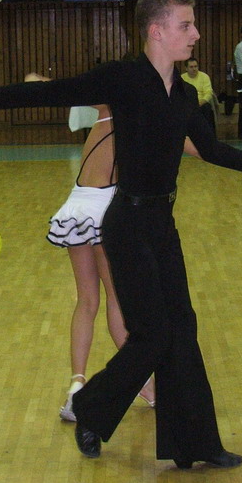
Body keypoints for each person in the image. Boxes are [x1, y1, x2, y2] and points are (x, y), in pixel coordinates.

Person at [0, 0, 242, 469]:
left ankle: (195, 445)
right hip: (126, 224)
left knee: (181, 328)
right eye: (186, 25)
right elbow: (49, 92)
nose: (196, 34)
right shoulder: (123, 79)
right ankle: (91, 408)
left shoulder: (185, 94)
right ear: (157, 31)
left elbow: (209, 149)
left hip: (162, 224)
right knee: (154, 334)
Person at [48, 104, 156, 420]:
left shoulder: (104, 112)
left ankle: (76, 387)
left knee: (86, 301)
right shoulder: (133, 123)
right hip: (103, 210)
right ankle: (145, 385)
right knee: (116, 299)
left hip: (76, 207)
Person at [181, 56, 215, 133]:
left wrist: (200, 102)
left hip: (201, 103)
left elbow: (208, 93)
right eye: (191, 67)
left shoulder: (204, 77)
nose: (194, 69)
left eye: (196, 66)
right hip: (187, 105)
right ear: (186, 68)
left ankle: (208, 134)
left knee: (207, 108)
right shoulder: (182, 78)